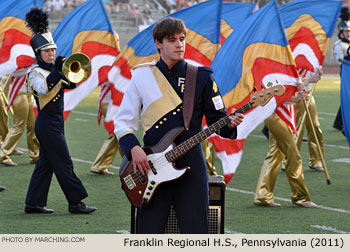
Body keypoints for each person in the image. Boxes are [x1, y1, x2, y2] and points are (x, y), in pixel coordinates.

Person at [114, 17, 244, 233]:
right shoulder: (142, 76)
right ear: (158, 43)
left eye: (182, 39)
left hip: (192, 164)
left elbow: (217, 121)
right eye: (172, 40)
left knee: (196, 231)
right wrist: (134, 149)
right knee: (149, 232)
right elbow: (123, 122)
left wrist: (229, 122)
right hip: (152, 166)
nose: (179, 44)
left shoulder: (201, 76)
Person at [24, 6, 96, 214]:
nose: (52, 53)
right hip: (47, 124)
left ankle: (33, 203)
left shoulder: (51, 69)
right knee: (64, 162)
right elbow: (43, 88)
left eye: (53, 50)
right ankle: (75, 202)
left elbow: (72, 83)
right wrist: (56, 71)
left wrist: (65, 71)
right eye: (47, 51)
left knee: (46, 164)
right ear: (39, 53)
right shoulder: (34, 72)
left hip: (56, 123)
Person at [254, 82, 317, 208]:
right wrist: (294, 98)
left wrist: (299, 89)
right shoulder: (270, 68)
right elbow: (267, 96)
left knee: (275, 154)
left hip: (283, 112)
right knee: (293, 153)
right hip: (274, 115)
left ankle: (263, 195)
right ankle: (300, 197)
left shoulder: (285, 67)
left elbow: (291, 83)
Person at [0, 69, 39, 167]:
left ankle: (35, 155)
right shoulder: (22, 59)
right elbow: (13, 74)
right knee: (19, 127)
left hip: (31, 95)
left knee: (33, 126)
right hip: (20, 94)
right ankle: (3, 155)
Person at [90, 81, 124, 175]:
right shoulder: (113, 67)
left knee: (119, 133)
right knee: (118, 133)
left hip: (110, 101)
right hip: (110, 103)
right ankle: (100, 165)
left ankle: (129, 162)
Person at [332, 6, 350, 136]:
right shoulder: (339, 45)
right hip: (345, 71)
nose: (348, 33)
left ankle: (339, 123)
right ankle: (342, 124)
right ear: (341, 32)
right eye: (346, 31)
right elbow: (341, 60)